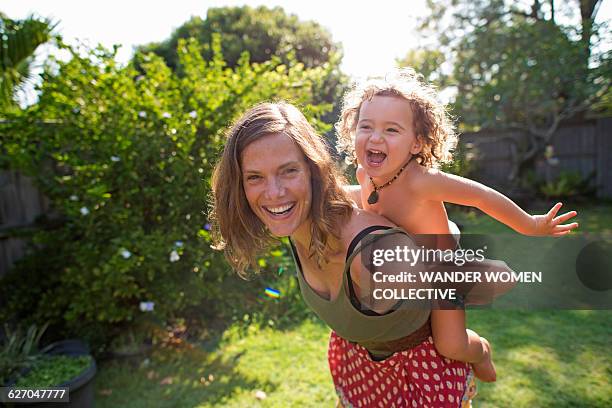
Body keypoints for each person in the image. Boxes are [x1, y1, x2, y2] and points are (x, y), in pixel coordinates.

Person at [211, 101, 484, 407]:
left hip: (420, 380)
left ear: (314, 171)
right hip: (358, 368)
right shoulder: (296, 220)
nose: (274, 193)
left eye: (288, 172)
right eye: (255, 177)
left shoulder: (376, 255)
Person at [335, 68, 579, 384]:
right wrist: (334, 196)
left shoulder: (422, 181)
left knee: (451, 344)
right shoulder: (364, 174)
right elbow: (362, 197)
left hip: (440, 269)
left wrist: (530, 224)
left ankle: (482, 350)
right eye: (365, 126)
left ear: (416, 143)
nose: (375, 137)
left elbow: (481, 197)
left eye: (391, 130)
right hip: (405, 267)